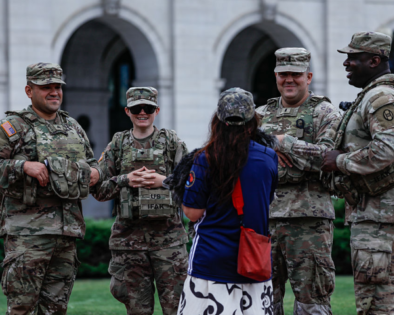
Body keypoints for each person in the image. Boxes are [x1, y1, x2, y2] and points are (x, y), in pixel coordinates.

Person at [322, 31, 394, 315]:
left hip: (382, 216)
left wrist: (339, 161)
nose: (346, 63)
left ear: (375, 60)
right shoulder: (381, 93)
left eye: (353, 58)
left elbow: (387, 149)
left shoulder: (381, 96)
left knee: (376, 305)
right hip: (389, 213)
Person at [0, 62, 101, 314]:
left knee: (56, 309)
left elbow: (92, 164)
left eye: (58, 86)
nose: (54, 92)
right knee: (23, 308)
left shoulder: (73, 128)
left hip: (67, 236)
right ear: (29, 90)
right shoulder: (14, 128)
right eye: (46, 87)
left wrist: (97, 173)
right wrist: (22, 167)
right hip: (28, 235)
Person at [255, 48, 342, 315]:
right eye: (283, 74)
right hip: (263, 221)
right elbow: (243, 162)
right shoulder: (258, 116)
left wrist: (284, 144)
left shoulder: (326, 114)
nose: (289, 80)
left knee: (312, 302)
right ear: (276, 76)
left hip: (309, 221)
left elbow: (327, 160)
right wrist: (293, 154)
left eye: (296, 74)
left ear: (309, 76)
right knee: (263, 301)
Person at [179, 88, 278, 315]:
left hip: (211, 258)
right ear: (253, 120)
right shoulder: (269, 157)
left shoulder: (204, 158)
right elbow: (266, 200)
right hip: (254, 259)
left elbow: (192, 214)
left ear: (219, 120)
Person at [93, 87, 189, 315]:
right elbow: (98, 191)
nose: (142, 112)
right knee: (137, 310)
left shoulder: (172, 142)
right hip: (129, 244)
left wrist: (163, 181)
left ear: (157, 110)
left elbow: (193, 186)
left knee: (176, 309)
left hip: (169, 243)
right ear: (127, 111)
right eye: (137, 108)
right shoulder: (117, 144)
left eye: (148, 108)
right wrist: (126, 179)